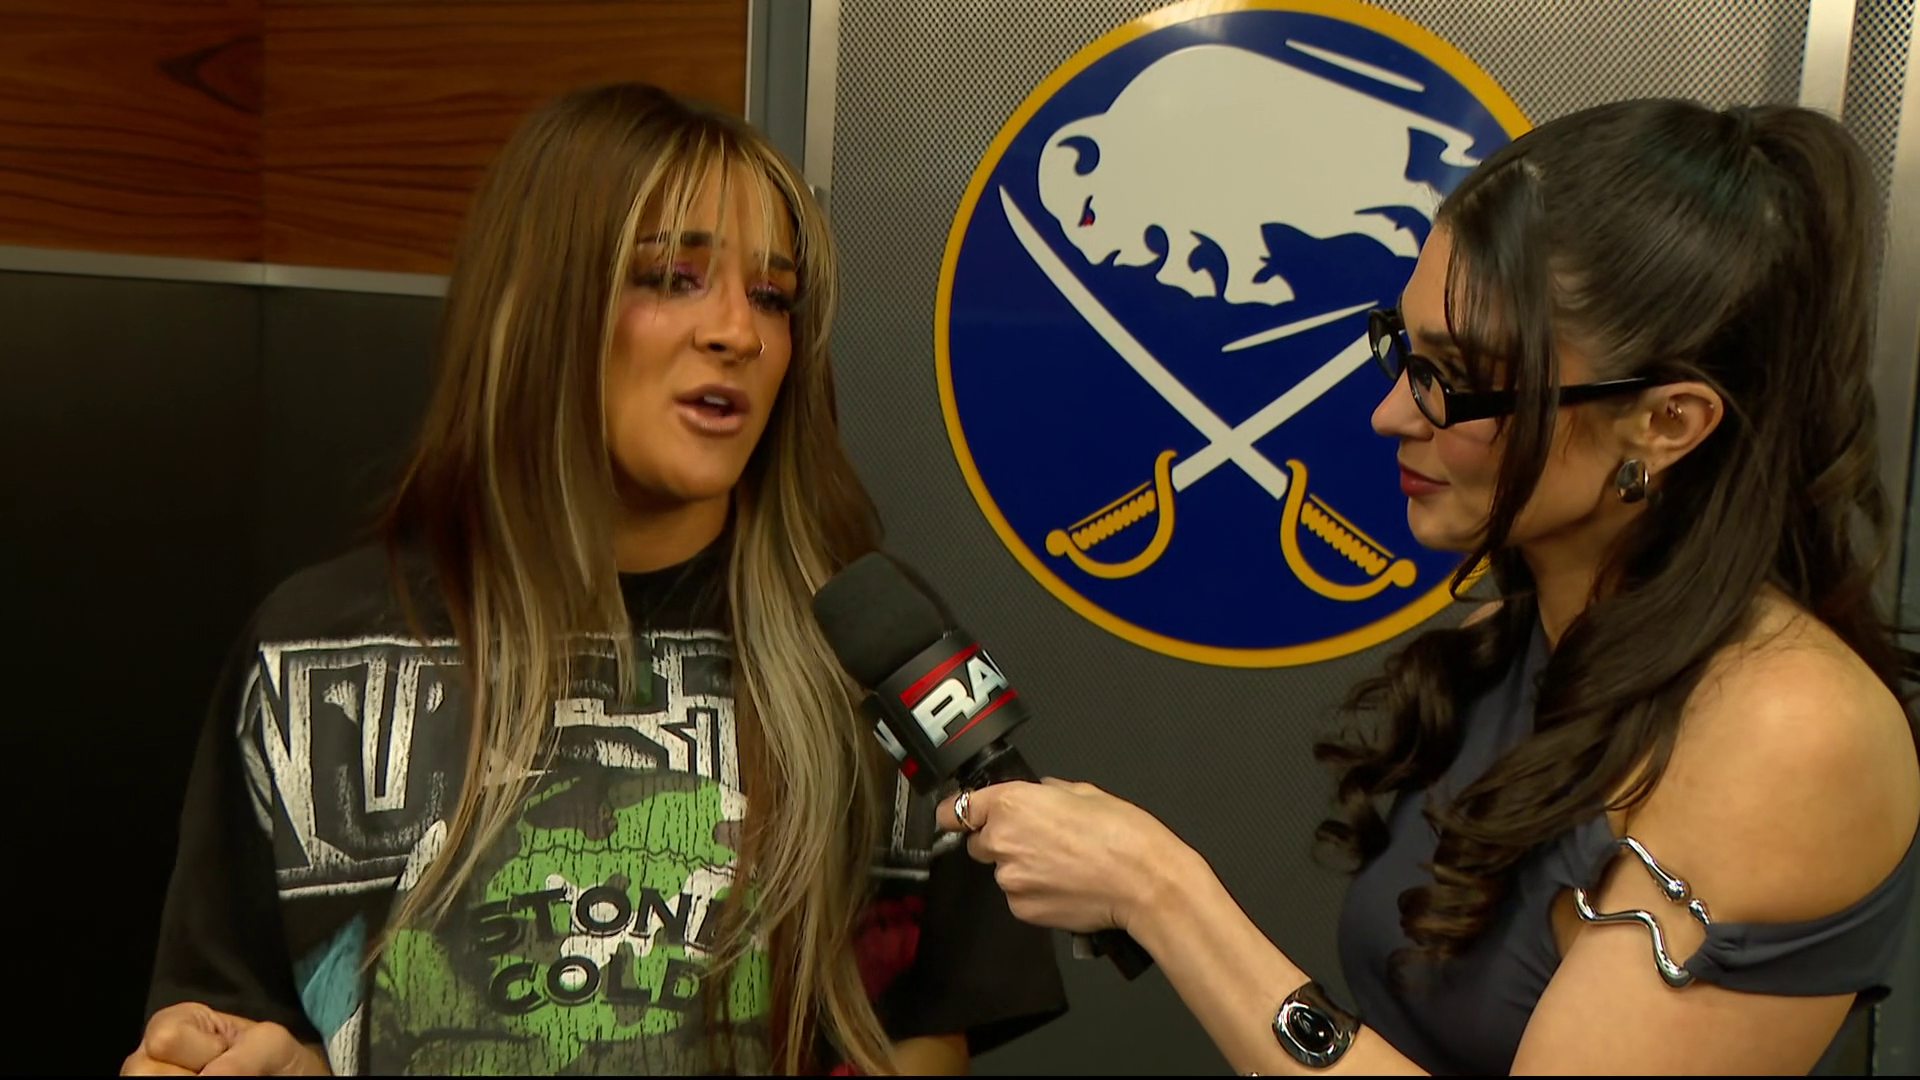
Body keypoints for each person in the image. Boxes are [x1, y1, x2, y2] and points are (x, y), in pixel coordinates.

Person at [937, 98, 1920, 1075]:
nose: (1393, 414)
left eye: (1457, 377)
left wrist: (1160, 893)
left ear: (1666, 423)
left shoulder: (1787, 737)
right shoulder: (1512, 643)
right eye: (1404, 351)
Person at [123, 83, 1066, 1077]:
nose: (737, 334)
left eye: (772, 296)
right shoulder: (312, 646)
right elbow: (237, 1024)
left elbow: (928, 1026)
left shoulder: (873, 644)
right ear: (539, 306)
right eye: (671, 277)